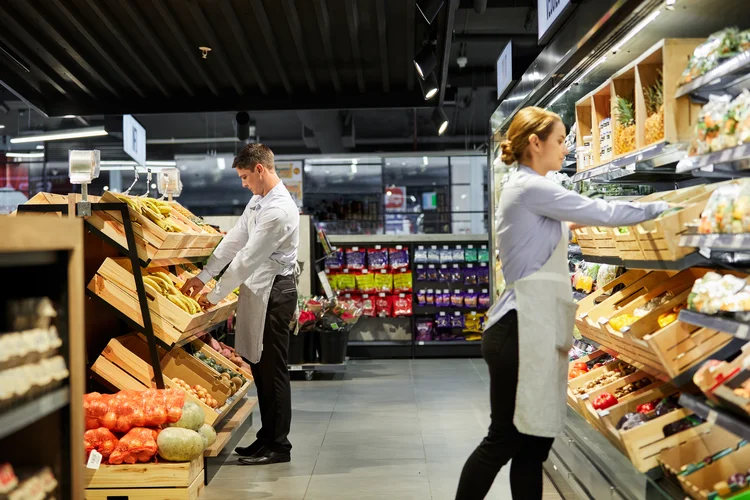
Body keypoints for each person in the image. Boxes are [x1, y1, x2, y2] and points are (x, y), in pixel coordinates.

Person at [454, 107, 669, 499]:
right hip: (518, 331)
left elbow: (551, 228)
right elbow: (601, 210)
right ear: (534, 143)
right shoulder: (534, 187)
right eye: (559, 139)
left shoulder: (526, 188)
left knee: (532, 444)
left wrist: (568, 224)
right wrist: (663, 207)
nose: (565, 146)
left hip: (528, 328)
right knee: (504, 439)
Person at [181, 143, 299, 466]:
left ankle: (279, 445)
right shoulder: (259, 200)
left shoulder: (279, 210)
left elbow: (246, 260)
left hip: (276, 292)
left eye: (245, 177)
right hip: (260, 290)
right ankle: (267, 436)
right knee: (259, 367)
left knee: (274, 369)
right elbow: (235, 238)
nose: (243, 183)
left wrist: (215, 293)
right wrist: (204, 275)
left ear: (260, 170)